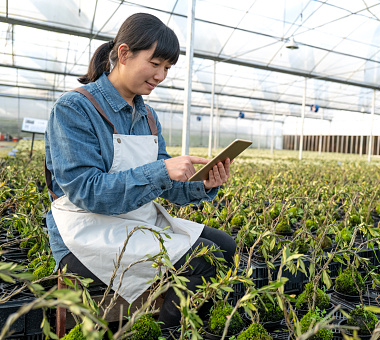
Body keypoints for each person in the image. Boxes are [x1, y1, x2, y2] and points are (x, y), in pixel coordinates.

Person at [44, 12, 237, 327]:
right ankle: (165, 331)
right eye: (155, 63)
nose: (161, 75)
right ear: (123, 54)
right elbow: (85, 192)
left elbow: (166, 186)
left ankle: (187, 324)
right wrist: (162, 170)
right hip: (86, 231)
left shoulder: (146, 116)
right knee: (205, 257)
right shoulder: (74, 109)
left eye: (167, 68)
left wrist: (202, 184)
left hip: (133, 222)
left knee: (226, 246)